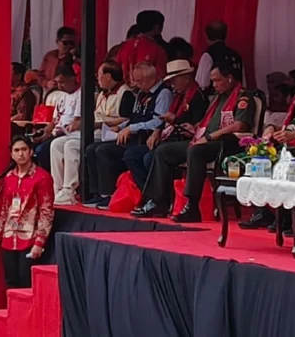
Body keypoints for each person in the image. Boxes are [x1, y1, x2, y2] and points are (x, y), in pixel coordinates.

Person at [137, 59, 256, 223]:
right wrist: (196, 129)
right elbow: (206, 122)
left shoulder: (243, 97)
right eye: (212, 81)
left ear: (229, 78)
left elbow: (239, 125)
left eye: (217, 80)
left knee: (195, 151)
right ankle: (157, 201)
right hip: (206, 140)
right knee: (163, 151)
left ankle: (192, 205)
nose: (214, 85)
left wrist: (208, 137)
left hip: (227, 144)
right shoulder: (218, 99)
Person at [128, 59, 209, 218]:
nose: (172, 83)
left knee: (153, 156)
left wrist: (176, 122)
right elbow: (165, 121)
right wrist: (158, 131)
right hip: (170, 136)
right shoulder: (179, 96)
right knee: (133, 155)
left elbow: (197, 125)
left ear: (186, 77)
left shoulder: (197, 96)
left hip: (186, 139)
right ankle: (149, 196)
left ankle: (158, 201)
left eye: (175, 79)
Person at [87, 62, 172, 209]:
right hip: (131, 134)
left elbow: (158, 121)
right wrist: (119, 127)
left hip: (145, 137)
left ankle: (116, 195)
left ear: (150, 78)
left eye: (139, 81)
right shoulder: (141, 93)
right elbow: (133, 116)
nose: (136, 85)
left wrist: (132, 128)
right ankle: (99, 194)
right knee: (91, 148)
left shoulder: (163, 93)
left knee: (106, 151)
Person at [0, 136, 54, 289]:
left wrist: (39, 242)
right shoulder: (9, 177)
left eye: (24, 150)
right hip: (9, 236)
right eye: (17, 150)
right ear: (12, 155)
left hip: (29, 237)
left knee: (26, 282)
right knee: (10, 282)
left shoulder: (42, 177)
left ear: (31, 152)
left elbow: (46, 212)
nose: (21, 154)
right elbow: (5, 209)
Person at [46, 64, 83, 205]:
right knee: (55, 145)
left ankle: (69, 190)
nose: (60, 86)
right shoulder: (61, 96)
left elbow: (76, 121)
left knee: (69, 146)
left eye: (62, 82)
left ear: (73, 79)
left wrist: (59, 130)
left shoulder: (81, 93)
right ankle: (57, 188)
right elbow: (54, 119)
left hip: (79, 133)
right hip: (64, 133)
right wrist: (47, 131)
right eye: (58, 83)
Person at [116, 11, 168, 79]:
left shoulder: (124, 47)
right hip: (147, 89)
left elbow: (116, 70)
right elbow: (161, 77)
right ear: (157, 27)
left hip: (124, 88)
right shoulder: (158, 51)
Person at [195, 20, 241, 91]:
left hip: (215, 98)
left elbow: (202, 83)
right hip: (236, 96)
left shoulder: (208, 55)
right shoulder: (236, 55)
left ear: (207, 37)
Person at [39, 27, 76, 91]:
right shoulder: (49, 56)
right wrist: (47, 83)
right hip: (50, 92)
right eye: (65, 43)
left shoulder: (75, 59)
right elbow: (39, 75)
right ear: (57, 42)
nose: (69, 46)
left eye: (71, 43)